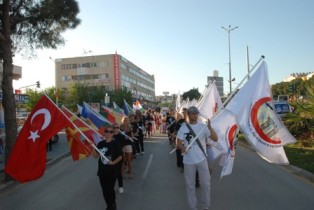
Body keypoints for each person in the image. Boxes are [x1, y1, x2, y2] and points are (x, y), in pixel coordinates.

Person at [176, 106, 218, 210]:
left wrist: (210, 128)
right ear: (188, 114)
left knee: (206, 184)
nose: (194, 115)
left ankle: (205, 206)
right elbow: (178, 142)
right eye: (192, 113)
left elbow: (215, 138)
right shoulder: (184, 127)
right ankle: (192, 207)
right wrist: (182, 148)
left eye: (196, 113)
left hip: (202, 159)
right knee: (190, 186)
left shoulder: (203, 126)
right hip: (188, 160)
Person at [93, 125, 123, 210]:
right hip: (102, 171)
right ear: (104, 133)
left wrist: (113, 162)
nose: (109, 133)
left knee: (110, 188)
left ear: (113, 133)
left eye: (111, 131)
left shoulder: (116, 144)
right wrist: (92, 148)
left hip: (112, 171)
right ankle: (109, 205)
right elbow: (96, 156)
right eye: (107, 131)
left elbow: (120, 156)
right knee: (104, 190)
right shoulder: (100, 144)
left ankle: (112, 204)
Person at [112, 123, 125, 194]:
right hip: (111, 157)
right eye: (114, 127)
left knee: (118, 172)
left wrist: (121, 153)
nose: (116, 129)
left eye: (117, 127)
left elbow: (123, 146)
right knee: (112, 173)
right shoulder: (110, 136)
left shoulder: (121, 136)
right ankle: (112, 185)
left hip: (119, 156)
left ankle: (121, 186)